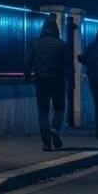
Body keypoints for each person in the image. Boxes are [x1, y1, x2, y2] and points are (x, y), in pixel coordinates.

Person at [25, 16, 70, 151]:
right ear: (55, 28)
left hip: (41, 82)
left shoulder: (35, 44)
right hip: (57, 82)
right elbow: (68, 65)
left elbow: (27, 63)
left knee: (43, 113)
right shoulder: (61, 44)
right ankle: (54, 128)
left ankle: (46, 143)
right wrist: (69, 81)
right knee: (60, 109)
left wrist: (27, 78)